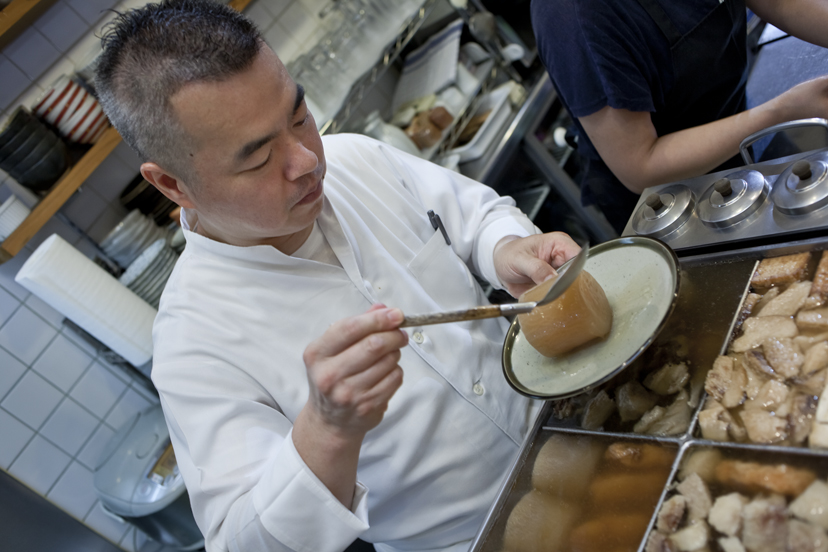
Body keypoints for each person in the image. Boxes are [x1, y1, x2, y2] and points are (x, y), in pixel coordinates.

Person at [94, 2, 580, 551]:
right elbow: (242, 542)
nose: (305, 160)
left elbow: (474, 216)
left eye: (299, 115)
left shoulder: (356, 158)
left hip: (570, 426)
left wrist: (507, 248)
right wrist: (326, 432)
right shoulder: (194, 344)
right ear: (172, 185)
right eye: (257, 159)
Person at [531, 0, 828, 232]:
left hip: (744, 127)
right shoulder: (572, 16)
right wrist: (785, 109)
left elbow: (780, 4)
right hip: (674, 204)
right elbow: (641, 163)